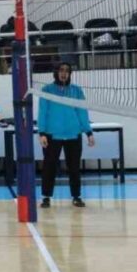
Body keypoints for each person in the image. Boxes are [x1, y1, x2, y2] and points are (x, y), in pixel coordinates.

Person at [37, 62, 94, 208]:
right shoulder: (47, 90)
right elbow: (42, 112)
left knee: (74, 167)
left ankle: (76, 196)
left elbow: (82, 112)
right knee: (49, 167)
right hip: (52, 134)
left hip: (73, 134)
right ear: (55, 72)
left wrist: (88, 132)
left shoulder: (76, 91)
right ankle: (46, 197)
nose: (64, 73)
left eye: (67, 71)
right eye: (61, 70)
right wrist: (41, 133)